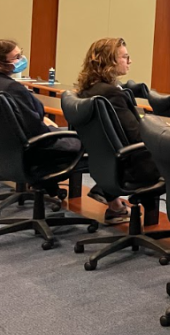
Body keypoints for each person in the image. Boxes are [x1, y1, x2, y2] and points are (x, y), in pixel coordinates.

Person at [76, 37, 160, 224]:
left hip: (106, 165)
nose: (130, 62)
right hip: (135, 166)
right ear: (109, 61)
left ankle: (111, 200)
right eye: (125, 57)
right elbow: (137, 135)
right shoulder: (112, 94)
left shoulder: (88, 91)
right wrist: (161, 131)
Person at [0, 39, 84, 191]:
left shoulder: (8, 87)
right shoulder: (13, 88)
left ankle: (49, 187)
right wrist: (47, 125)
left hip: (8, 153)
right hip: (33, 151)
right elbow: (36, 132)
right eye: (16, 57)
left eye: (21, 55)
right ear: (2, 64)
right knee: (86, 140)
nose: (22, 60)